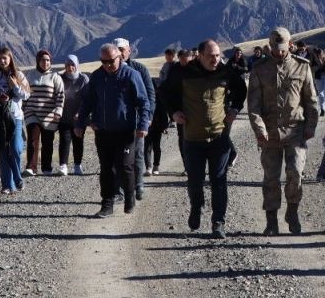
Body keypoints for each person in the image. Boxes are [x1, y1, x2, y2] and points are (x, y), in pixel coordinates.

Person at [165, 39, 247, 239]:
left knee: (219, 180)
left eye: (218, 55)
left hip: (219, 136)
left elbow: (241, 90)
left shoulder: (226, 72)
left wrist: (235, 109)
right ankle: (196, 206)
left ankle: (218, 222)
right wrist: (174, 112)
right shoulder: (183, 72)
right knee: (195, 180)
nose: (215, 59)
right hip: (192, 138)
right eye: (211, 56)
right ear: (199, 55)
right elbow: (166, 92)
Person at [247, 27, 319, 235]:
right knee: (271, 177)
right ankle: (271, 220)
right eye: (274, 49)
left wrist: (311, 127)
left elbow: (311, 101)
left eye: (282, 48)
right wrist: (260, 130)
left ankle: (292, 211)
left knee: (295, 172)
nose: (278, 53)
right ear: (270, 47)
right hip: (270, 133)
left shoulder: (301, 67)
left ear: (290, 44)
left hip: (295, 130)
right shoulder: (260, 69)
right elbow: (253, 105)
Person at [75, 43, 151, 217]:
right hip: (103, 131)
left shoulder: (132, 75)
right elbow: (88, 102)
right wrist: (80, 124)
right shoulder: (96, 77)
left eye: (111, 61)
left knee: (125, 165)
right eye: (104, 61)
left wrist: (143, 125)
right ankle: (107, 204)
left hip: (126, 131)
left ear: (120, 57)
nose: (108, 65)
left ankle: (130, 195)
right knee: (106, 168)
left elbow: (143, 102)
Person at [114, 37, 155, 200]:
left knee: (136, 155)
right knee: (117, 157)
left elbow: (150, 95)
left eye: (122, 50)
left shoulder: (139, 69)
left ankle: (138, 186)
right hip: (115, 124)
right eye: (117, 50)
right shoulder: (108, 71)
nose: (120, 53)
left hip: (137, 121)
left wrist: (148, 117)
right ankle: (119, 191)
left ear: (129, 50)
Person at [0, 47, 29, 195]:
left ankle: (17, 177)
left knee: (16, 149)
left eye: (5, 58)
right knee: (3, 151)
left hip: (15, 117)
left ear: (10, 58)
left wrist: (14, 85)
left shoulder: (19, 75)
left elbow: (26, 95)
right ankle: (7, 185)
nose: (2, 61)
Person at [23, 49, 65, 177]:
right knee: (32, 140)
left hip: (49, 115)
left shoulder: (55, 77)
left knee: (47, 142)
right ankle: (31, 167)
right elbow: (25, 93)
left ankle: (46, 167)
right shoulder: (30, 75)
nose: (45, 62)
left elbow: (60, 95)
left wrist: (58, 110)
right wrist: (23, 108)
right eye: (42, 60)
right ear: (38, 61)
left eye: (47, 60)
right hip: (32, 112)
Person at [60, 54, 89, 175]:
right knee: (64, 140)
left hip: (79, 117)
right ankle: (63, 165)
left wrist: (80, 113)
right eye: (67, 64)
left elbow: (87, 99)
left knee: (78, 140)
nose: (70, 67)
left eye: (72, 64)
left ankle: (77, 165)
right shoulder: (60, 78)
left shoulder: (84, 79)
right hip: (64, 116)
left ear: (76, 65)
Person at [311, 48, 325, 115]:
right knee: (321, 94)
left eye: (321, 54)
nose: (320, 55)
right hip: (318, 78)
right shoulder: (315, 61)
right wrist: (318, 65)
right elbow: (313, 69)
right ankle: (322, 109)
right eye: (319, 54)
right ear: (317, 55)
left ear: (323, 54)